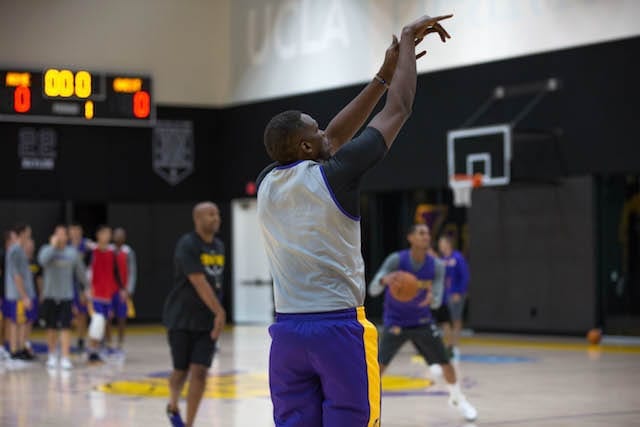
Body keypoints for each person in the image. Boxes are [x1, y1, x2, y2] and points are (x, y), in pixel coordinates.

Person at [256, 13, 453, 427]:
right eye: (317, 132)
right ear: (308, 146)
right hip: (338, 328)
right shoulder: (334, 175)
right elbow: (399, 109)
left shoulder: (266, 183)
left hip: (287, 334)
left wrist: (380, 76)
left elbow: (333, 138)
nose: (328, 133)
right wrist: (404, 51)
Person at [368, 224, 477, 422]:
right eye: (421, 233)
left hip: (422, 321)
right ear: (410, 237)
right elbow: (373, 289)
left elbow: (436, 298)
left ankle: (457, 398)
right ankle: (367, 408)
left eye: (428, 233)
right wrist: (385, 280)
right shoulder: (396, 260)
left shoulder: (436, 266)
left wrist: (432, 299)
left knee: (446, 362)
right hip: (396, 322)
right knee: (378, 368)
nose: (426, 236)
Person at [163, 202, 226, 427]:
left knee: (200, 372)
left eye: (217, 214)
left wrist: (216, 316)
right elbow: (198, 281)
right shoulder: (187, 244)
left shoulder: (218, 246)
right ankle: (172, 404)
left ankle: (188, 424)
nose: (216, 218)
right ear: (197, 219)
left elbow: (216, 284)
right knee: (180, 371)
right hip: (181, 318)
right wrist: (220, 311)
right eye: (210, 214)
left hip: (206, 322)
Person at [38, 225, 89, 369]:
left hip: (66, 295)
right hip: (50, 294)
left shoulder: (72, 253)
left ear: (67, 237)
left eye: (63, 234)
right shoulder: (46, 250)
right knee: (51, 327)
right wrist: (53, 247)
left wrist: (87, 288)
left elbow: (81, 272)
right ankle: (52, 355)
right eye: (57, 234)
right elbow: (42, 261)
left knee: (66, 327)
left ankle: (65, 356)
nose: (60, 236)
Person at [86, 225, 123, 363]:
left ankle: (96, 350)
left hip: (107, 294)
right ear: (98, 235)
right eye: (104, 233)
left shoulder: (112, 253)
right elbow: (86, 272)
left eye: (109, 234)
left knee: (102, 324)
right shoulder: (91, 252)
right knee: (97, 321)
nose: (107, 236)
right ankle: (91, 351)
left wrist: (120, 290)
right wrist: (86, 291)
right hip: (95, 294)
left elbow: (115, 274)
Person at [4, 224, 38, 362]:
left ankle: (20, 348)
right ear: (22, 234)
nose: (29, 237)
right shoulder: (16, 251)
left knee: (20, 322)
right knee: (17, 322)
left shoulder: (18, 251)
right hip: (18, 295)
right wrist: (24, 296)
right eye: (28, 234)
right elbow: (17, 276)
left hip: (19, 294)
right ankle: (15, 349)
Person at [437, 235, 470, 359]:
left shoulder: (457, 257)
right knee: (446, 321)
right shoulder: (442, 259)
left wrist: (460, 292)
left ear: (448, 244)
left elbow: (465, 276)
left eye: (442, 242)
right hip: (444, 295)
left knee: (456, 319)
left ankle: (455, 346)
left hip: (455, 294)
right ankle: (448, 345)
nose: (440, 245)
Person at [108, 227, 137, 350]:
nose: (119, 237)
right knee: (107, 317)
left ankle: (120, 343)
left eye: (121, 235)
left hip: (122, 290)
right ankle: (108, 342)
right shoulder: (108, 250)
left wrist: (128, 289)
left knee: (122, 317)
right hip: (109, 289)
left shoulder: (128, 252)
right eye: (116, 235)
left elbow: (132, 271)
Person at [68, 222, 92, 351]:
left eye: (77, 231)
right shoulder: (65, 246)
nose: (75, 233)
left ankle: (81, 339)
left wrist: (86, 288)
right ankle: (67, 338)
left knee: (83, 313)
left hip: (82, 283)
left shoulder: (87, 246)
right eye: (73, 231)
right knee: (70, 313)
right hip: (68, 283)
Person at [0, 230, 17, 362]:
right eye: (13, 239)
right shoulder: (2, 255)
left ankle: (4, 347)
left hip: (9, 294)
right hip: (2, 293)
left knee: (8, 321)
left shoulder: (15, 256)